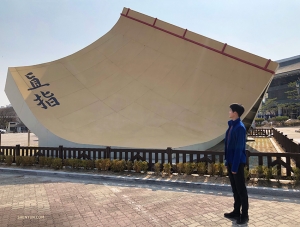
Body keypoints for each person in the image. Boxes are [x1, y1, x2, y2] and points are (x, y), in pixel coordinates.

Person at [224, 103, 249, 225]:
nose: (229, 112)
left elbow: (239, 150)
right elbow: (228, 146)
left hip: (237, 164)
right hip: (231, 162)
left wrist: (234, 166)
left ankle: (244, 215)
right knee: (235, 189)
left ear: (235, 112)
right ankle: (236, 212)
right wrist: (227, 161)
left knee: (241, 191)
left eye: (230, 110)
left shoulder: (240, 127)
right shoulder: (232, 126)